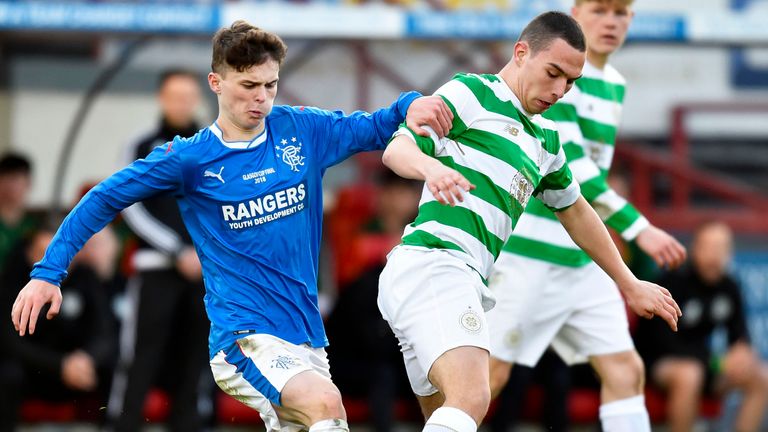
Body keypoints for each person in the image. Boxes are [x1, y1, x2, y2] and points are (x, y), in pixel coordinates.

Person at [10, 20, 453, 432]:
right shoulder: (190, 158)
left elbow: (375, 126)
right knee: (327, 405)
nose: (261, 97)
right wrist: (48, 272)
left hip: (305, 339)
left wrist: (412, 103)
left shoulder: (301, 131)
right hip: (243, 339)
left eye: (270, 85)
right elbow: (105, 197)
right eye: (248, 85)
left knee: (319, 413)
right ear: (216, 83)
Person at [377, 11, 682, 432]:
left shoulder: (545, 141)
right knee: (475, 393)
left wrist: (629, 284)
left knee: (450, 412)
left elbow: (576, 211)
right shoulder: (472, 93)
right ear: (521, 53)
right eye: (553, 73)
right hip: (434, 263)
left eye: (570, 82)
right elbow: (397, 151)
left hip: (460, 277)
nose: (559, 90)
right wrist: (431, 169)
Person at [484, 2, 688, 431]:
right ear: (577, 12)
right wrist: (640, 228)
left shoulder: (613, 83)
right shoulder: (555, 75)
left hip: (582, 261)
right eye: (600, 10)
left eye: (622, 12)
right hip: (530, 256)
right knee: (487, 379)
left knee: (625, 369)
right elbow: (575, 172)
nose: (611, 22)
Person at [105, 69, 212, 432]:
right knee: (141, 354)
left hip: (203, 271)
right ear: (161, 99)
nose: (181, 103)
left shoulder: (213, 143)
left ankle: (190, 422)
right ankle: (124, 423)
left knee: (196, 354)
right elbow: (128, 205)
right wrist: (176, 249)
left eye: (188, 96)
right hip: (154, 268)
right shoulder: (140, 145)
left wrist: (203, 252)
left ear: (198, 99)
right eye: (174, 96)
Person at [636, 221, 768, 432]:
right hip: (657, 364)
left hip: (705, 365)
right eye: (709, 247)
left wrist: (741, 352)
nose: (715, 257)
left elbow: (739, 335)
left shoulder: (729, 286)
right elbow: (661, 343)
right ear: (695, 248)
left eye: (722, 249)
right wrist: (717, 363)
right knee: (689, 374)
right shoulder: (672, 281)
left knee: (761, 375)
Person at [0, 228, 118, 430]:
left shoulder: (85, 279)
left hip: (79, 373)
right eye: (42, 254)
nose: (50, 262)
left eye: (56, 253)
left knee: (114, 367)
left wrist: (86, 359)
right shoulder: (15, 284)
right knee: (8, 374)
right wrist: (61, 365)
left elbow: (105, 332)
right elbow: (12, 343)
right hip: (37, 372)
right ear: (29, 255)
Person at [0, 153, 38, 272]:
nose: (10, 186)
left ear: (28, 183)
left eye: (15, 179)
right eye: (6, 179)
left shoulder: (35, 227)